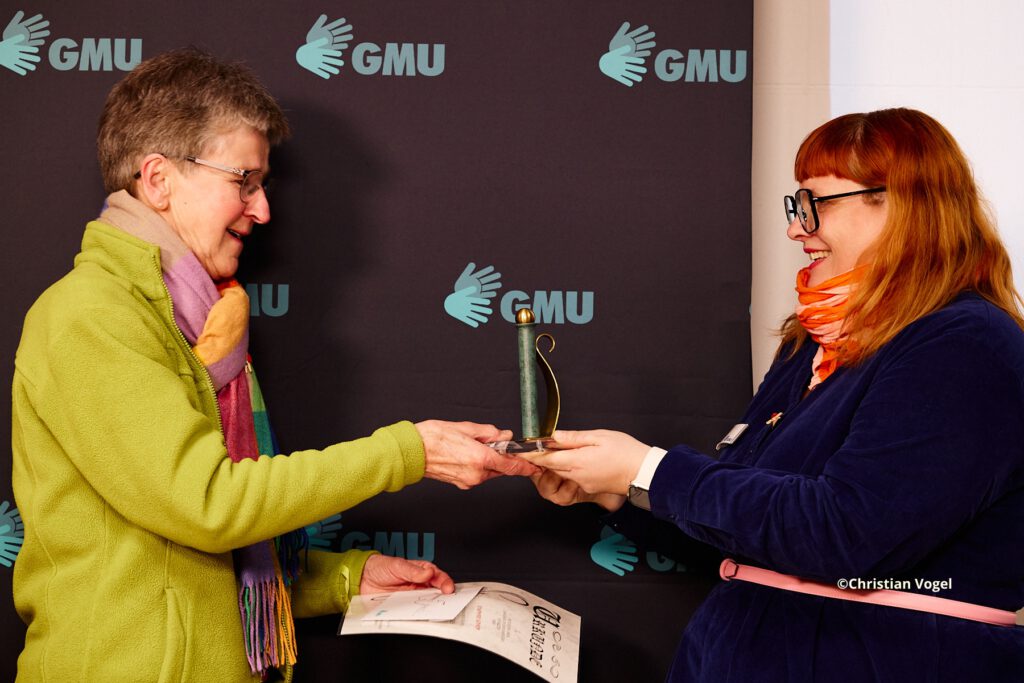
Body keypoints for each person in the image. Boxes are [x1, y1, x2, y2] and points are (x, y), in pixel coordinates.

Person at [10, 48, 536, 683]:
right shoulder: (90, 315)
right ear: (158, 180)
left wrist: (347, 578)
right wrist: (409, 453)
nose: (262, 211)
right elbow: (208, 506)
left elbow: (197, 563)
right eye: (244, 181)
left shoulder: (209, 322)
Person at [525, 108, 1024, 681]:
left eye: (815, 204)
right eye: (796, 205)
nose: (795, 228)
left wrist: (647, 471)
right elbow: (751, 535)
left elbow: (849, 538)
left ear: (903, 204)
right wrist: (617, 492)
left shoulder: (966, 345)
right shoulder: (807, 345)